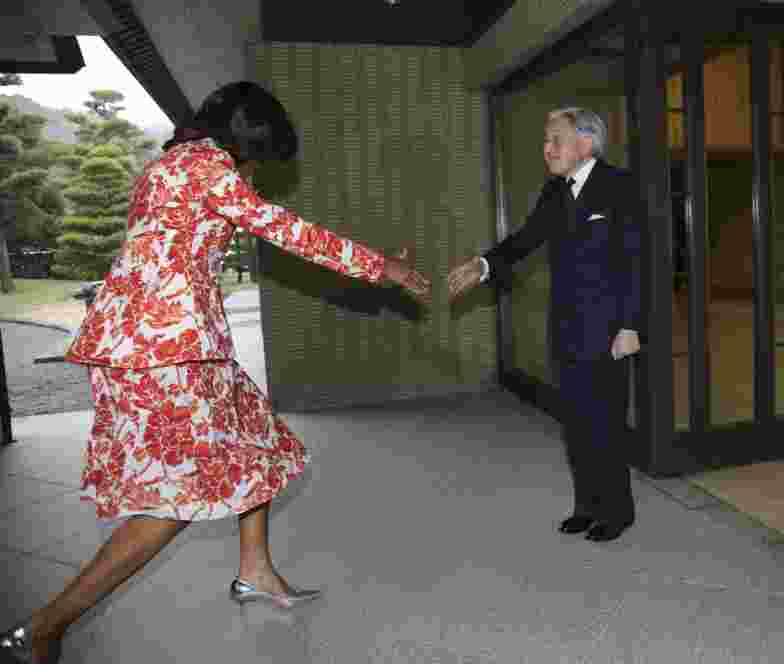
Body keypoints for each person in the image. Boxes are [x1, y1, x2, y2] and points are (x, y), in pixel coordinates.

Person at [0, 81, 431, 663]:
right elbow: (286, 232)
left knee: (258, 440)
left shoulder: (169, 164)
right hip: (163, 350)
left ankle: (255, 571)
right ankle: (46, 625)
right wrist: (383, 268)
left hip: (162, 339)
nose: (258, 169)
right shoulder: (208, 169)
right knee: (177, 502)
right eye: (260, 155)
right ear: (247, 142)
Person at [448, 106, 644, 543]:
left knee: (605, 423)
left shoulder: (620, 186)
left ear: (586, 143)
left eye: (555, 139)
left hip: (610, 329)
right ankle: (587, 505)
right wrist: (483, 265)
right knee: (575, 423)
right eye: (546, 140)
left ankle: (617, 510)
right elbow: (525, 239)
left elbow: (636, 261)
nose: (547, 148)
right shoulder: (555, 192)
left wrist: (630, 326)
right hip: (568, 326)